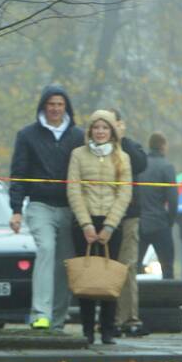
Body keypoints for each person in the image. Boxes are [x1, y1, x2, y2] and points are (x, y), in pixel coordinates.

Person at [9, 84, 84, 331]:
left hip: (70, 208)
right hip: (39, 205)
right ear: (43, 106)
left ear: (66, 107)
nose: (55, 108)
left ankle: (58, 318)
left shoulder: (78, 136)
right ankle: (40, 313)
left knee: (65, 263)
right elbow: (18, 174)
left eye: (59, 104)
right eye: (51, 104)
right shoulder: (27, 135)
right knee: (46, 250)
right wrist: (16, 209)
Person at [66, 110, 132, 345]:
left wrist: (110, 226)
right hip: (84, 224)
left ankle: (107, 329)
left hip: (111, 225)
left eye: (105, 128)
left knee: (109, 278)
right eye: (97, 128)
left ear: (112, 131)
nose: (101, 132)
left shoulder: (122, 157)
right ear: (90, 130)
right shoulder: (78, 155)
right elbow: (74, 189)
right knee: (86, 276)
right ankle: (87, 330)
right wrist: (85, 223)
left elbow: (125, 193)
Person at [112, 110, 149, 336]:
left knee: (127, 266)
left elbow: (140, 164)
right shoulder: (91, 149)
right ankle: (109, 318)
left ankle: (129, 317)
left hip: (128, 215)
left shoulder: (130, 147)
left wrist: (120, 140)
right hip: (100, 216)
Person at [137, 132, 178, 279]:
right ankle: (169, 300)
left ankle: (134, 300)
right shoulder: (167, 167)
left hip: (140, 223)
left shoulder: (140, 165)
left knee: (134, 266)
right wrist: (170, 220)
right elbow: (173, 199)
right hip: (160, 223)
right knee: (167, 267)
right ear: (163, 146)